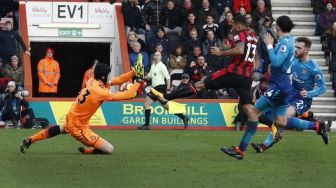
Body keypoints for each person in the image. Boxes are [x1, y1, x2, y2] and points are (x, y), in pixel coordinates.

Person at [221, 16, 328, 160]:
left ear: (277, 27)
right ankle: (317, 126)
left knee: (253, 112)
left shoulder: (285, 43)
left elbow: (277, 62)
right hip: (285, 87)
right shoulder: (291, 40)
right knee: (281, 121)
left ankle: (241, 150)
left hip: (278, 86)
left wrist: (269, 45)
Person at [150, 15, 258, 135]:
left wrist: (220, 53)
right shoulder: (253, 36)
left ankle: (167, 97)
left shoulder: (239, 34)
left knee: (199, 85)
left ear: (238, 25)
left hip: (233, 73)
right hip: (247, 76)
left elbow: (240, 50)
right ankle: (272, 126)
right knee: (248, 108)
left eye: (233, 24)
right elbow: (250, 53)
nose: (232, 27)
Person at [20, 63, 142, 154]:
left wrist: (133, 73)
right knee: (109, 149)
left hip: (72, 115)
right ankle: (87, 151)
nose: (110, 76)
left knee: (61, 129)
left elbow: (117, 80)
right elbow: (128, 95)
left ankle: (31, 139)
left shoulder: (92, 81)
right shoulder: (100, 91)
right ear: (103, 77)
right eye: (108, 74)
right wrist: (140, 81)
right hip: (79, 127)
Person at [251, 37, 327, 153]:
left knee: (283, 118)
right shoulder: (294, 60)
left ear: (306, 50)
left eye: (299, 48)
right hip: (289, 93)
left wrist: (310, 93)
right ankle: (316, 126)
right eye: (295, 46)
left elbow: (323, 87)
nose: (295, 50)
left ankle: (316, 126)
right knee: (271, 116)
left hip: (302, 99)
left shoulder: (314, 68)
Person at [138, 51, 188, 130]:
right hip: (155, 88)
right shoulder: (153, 65)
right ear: (153, 56)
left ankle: (147, 125)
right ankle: (184, 117)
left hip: (160, 87)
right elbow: (150, 76)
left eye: (158, 55)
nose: (156, 56)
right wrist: (142, 77)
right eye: (155, 55)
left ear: (161, 57)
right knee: (166, 106)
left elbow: (168, 77)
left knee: (146, 104)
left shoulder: (162, 66)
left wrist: (168, 88)